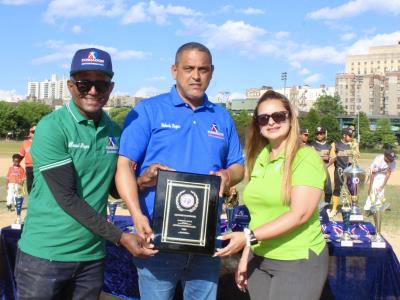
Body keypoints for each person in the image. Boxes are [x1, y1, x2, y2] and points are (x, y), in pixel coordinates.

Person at [15, 48, 156, 300]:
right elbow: (67, 197)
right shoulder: (52, 127)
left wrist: (141, 182)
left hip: (91, 256)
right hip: (45, 256)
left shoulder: (113, 130)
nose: (92, 91)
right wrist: (120, 237)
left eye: (100, 84)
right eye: (84, 84)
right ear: (70, 86)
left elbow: (110, 187)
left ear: (110, 88)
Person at [116, 42, 245, 300]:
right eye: (188, 68)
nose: (196, 76)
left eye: (203, 69)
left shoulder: (221, 117)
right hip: (157, 238)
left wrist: (228, 176)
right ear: (174, 70)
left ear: (211, 72)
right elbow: (123, 167)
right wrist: (136, 214)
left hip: (204, 241)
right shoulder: (148, 111)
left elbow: (238, 166)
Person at [214, 90, 328, 300]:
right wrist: (247, 255)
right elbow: (258, 217)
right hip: (260, 258)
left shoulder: (305, 158)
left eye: (279, 116)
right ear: (257, 124)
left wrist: (248, 238)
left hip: (297, 259)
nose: (271, 122)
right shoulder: (261, 157)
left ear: (291, 119)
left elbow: (299, 215)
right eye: (264, 118)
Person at [327, 127, 359, 218]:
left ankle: (351, 208)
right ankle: (334, 209)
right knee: (337, 189)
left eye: (351, 135)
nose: (351, 137)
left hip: (350, 170)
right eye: (349, 136)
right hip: (339, 169)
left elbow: (357, 156)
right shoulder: (335, 144)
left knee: (352, 189)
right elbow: (332, 156)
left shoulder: (353, 144)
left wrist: (354, 155)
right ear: (344, 135)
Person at [310, 126, 333, 206]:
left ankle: (326, 207)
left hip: (325, 169)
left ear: (324, 134)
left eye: (321, 133)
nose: (319, 135)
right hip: (314, 170)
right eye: (317, 134)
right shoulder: (311, 145)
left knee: (328, 190)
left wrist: (327, 165)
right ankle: (313, 207)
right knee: (314, 189)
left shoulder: (329, 145)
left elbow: (333, 157)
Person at [19, 124, 35, 194]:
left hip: (39, 166)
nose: (34, 134)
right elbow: (21, 155)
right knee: (30, 185)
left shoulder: (42, 141)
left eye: (36, 132)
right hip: (29, 167)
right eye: (33, 132)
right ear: (30, 132)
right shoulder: (25, 143)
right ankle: (31, 200)